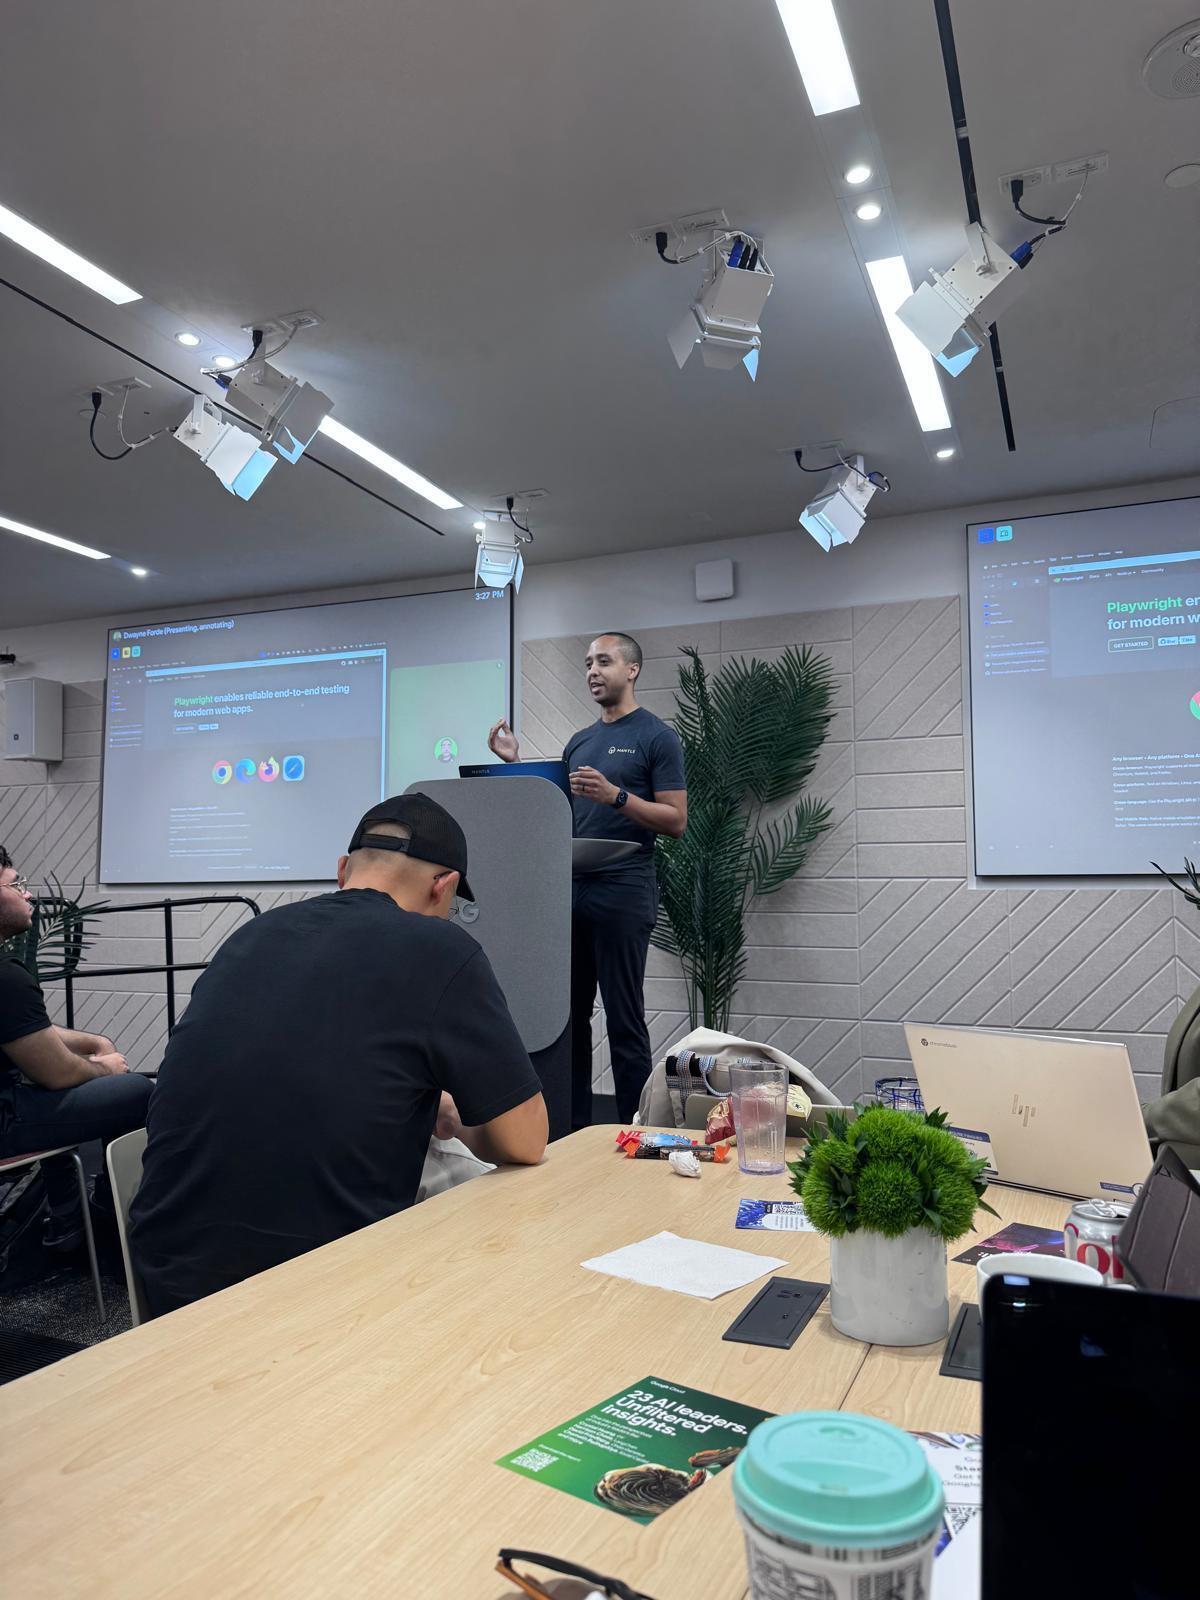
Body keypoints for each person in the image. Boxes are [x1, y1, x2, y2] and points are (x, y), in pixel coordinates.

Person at [129, 793, 547, 1316]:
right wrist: (456, 1120)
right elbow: (526, 1141)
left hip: (169, 1283)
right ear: (444, 886)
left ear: (344, 869)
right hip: (324, 1293)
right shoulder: (441, 949)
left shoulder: (249, 937)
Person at [488, 633, 686, 1127]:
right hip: (571, 890)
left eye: (604, 661)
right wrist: (515, 763)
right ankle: (566, 1132)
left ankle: (634, 1131)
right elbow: (557, 809)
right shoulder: (579, 741)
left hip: (624, 887)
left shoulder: (657, 737)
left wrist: (617, 796)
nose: (593, 671)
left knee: (623, 1020)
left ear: (632, 669)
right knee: (569, 1022)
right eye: (587, 663)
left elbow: (676, 820)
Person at [0, 846, 152, 1250]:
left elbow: (27, 1032)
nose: (29, 895)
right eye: (17, 886)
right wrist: (109, 1066)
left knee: (56, 1090)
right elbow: (59, 1073)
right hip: (4, 1124)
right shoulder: (6, 977)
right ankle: (106, 1219)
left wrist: (93, 1043)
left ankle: (67, 1218)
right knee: (136, 1091)